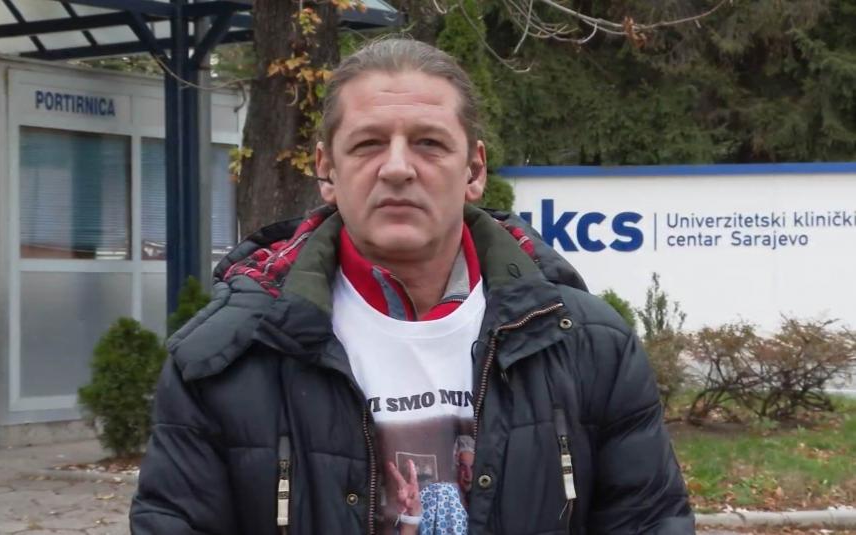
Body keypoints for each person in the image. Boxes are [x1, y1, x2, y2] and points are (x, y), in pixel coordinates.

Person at [130, 38, 694, 534]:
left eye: (428, 143)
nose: (397, 168)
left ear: (474, 171)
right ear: (326, 170)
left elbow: (650, 521)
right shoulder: (224, 360)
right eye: (368, 144)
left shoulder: (588, 345)